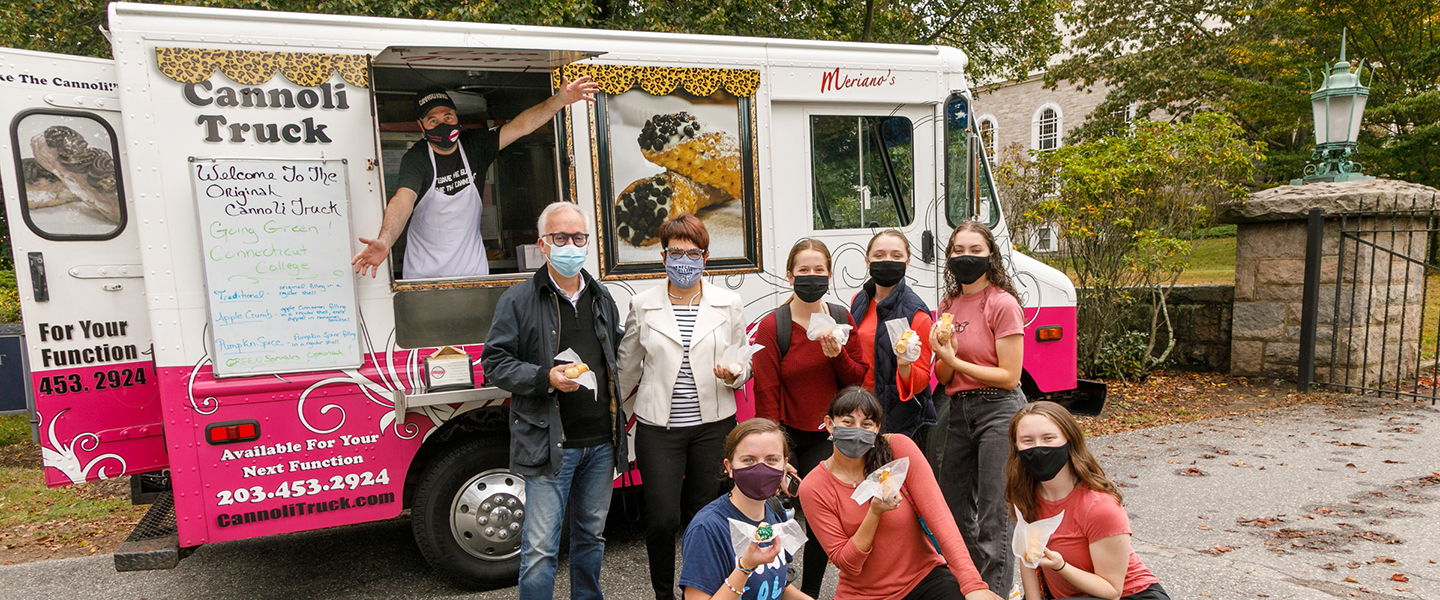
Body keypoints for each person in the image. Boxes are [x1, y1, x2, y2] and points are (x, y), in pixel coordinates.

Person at [480, 201, 628, 600]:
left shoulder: (601, 297)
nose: (570, 245)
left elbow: (613, 357)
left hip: (600, 443)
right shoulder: (518, 300)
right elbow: (493, 363)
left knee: (591, 538)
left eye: (578, 237)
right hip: (548, 445)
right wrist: (544, 377)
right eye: (560, 238)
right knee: (541, 549)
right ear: (543, 245)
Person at [618, 213, 752, 600]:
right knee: (662, 519)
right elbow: (626, 370)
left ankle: (704, 591)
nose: (683, 260)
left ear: (705, 257)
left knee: (703, 516)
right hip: (659, 428)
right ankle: (663, 595)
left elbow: (742, 359)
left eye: (692, 253)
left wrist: (735, 374)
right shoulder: (642, 304)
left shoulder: (728, 303)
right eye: (675, 252)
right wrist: (614, 418)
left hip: (713, 426)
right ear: (663, 256)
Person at [351, 78, 599, 279]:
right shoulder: (416, 159)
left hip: (474, 275)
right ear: (421, 126)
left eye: (447, 116)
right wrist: (386, 241)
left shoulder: (475, 145)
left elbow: (522, 126)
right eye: (433, 120)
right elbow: (402, 200)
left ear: (456, 117)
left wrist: (560, 100)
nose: (443, 124)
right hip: (424, 279)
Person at [798, 387, 1000, 600]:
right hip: (864, 594)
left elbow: (940, 519)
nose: (857, 430)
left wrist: (972, 583)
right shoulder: (814, 487)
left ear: (876, 428)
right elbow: (848, 564)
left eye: (866, 424)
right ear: (830, 424)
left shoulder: (898, 449)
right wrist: (874, 513)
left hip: (924, 579)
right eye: (848, 422)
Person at [751, 238, 867, 598]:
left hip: (825, 436)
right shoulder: (774, 326)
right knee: (775, 519)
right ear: (790, 276)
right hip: (785, 435)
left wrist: (836, 355)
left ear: (829, 275)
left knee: (819, 521)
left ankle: (811, 593)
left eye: (819, 270)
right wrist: (777, 456)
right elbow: (766, 393)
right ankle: (776, 587)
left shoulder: (841, 318)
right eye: (804, 270)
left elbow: (856, 379)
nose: (812, 277)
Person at [930, 220, 1026, 596]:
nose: (965, 257)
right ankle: (974, 586)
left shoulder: (1002, 303)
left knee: (994, 514)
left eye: (975, 250)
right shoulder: (948, 305)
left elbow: (1009, 375)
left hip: (999, 409)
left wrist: (957, 361)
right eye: (958, 250)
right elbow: (943, 374)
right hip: (958, 409)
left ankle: (996, 592)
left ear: (991, 256)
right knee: (952, 510)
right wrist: (944, 356)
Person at [1007, 402, 1168, 600]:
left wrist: (1061, 566)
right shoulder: (1026, 494)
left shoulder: (1100, 506)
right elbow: (1029, 559)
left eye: (1048, 438)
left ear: (1070, 440)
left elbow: (1112, 590)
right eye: (1028, 441)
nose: (1039, 448)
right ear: (1016, 446)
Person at [677, 418, 812, 600]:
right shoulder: (707, 529)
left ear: (784, 465)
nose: (761, 468)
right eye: (749, 460)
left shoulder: (775, 510)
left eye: (771, 460)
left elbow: (781, 587)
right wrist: (744, 567)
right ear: (730, 467)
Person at [848, 230, 937, 441]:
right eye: (879, 255)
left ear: (907, 262)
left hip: (899, 422)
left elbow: (922, 380)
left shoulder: (917, 314)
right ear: (867, 260)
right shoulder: (858, 300)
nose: (887, 261)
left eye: (896, 256)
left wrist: (905, 365)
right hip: (859, 413)